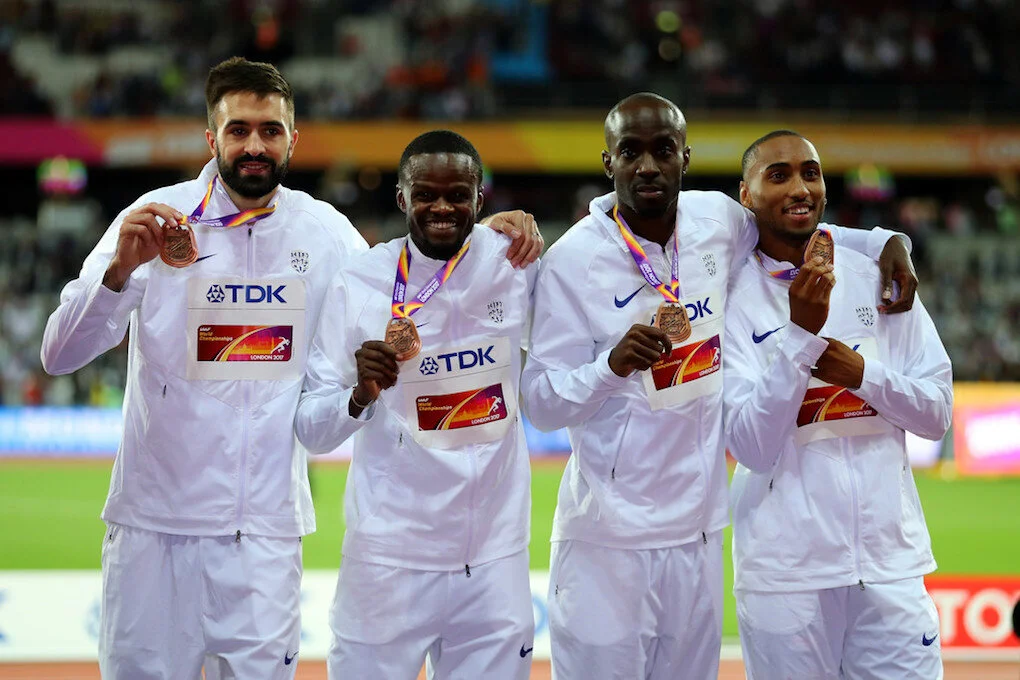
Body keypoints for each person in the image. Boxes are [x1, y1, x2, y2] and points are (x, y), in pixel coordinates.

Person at [39, 58, 541, 679]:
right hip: (153, 528)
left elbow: (410, 284)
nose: (255, 145)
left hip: (265, 538)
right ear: (212, 139)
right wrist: (117, 275)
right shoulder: (154, 219)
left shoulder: (326, 234)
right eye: (239, 129)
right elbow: (58, 354)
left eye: (270, 131)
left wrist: (484, 244)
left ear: (292, 141)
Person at [520, 92, 918, 679]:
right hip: (606, 538)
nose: (648, 166)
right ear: (609, 163)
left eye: (663, 150)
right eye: (631, 152)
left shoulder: (717, 221)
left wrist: (887, 242)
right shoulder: (570, 261)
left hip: (699, 531)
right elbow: (540, 400)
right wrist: (609, 367)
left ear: (686, 156)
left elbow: (798, 226)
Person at [294, 130, 535, 679]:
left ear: (480, 196)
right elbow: (311, 428)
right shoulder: (359, 282)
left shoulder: (517, 265)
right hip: (387, 561)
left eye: (458, 193)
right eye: (426, 194)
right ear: (402, 197)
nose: (443, 207)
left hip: (493, 560)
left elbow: (558, 369)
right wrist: (358, 396)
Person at [723, 130, 952, 679]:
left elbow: (937, 413)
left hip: (890, 565)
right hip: (786, 574)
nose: (800, 186)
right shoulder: (728, 301)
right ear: (746, 196)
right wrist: (800, 339)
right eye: (778, 175)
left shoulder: (882, 282)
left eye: (811, 172)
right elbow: (750, 446)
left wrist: (863, 375)